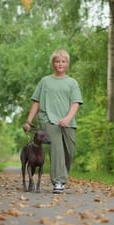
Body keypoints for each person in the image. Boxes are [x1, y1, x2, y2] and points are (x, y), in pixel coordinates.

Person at [23, 49, 83, 194]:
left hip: (68, 122)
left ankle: (62, 176)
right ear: (53, 63)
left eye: (63, 61)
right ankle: (58, 181)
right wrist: (28, 121)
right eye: (57, 61)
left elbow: (75, 103)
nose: (60, 64)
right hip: (48, 120)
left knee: (69, 152)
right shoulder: (45, 81)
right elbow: (36, 102)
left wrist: (68, 118)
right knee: (56, 149)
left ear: (67, 63)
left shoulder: (72, 83)